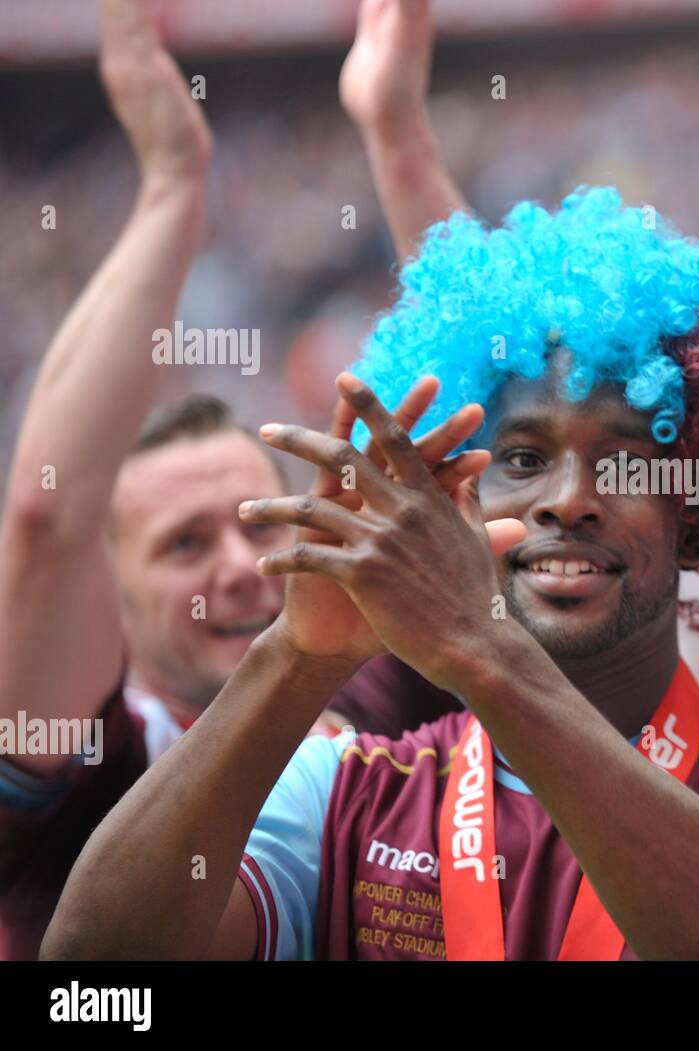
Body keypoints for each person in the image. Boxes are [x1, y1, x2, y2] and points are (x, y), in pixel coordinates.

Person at [45, 186, 699, 961]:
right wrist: (297, 653)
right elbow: (92, 977)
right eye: (520, 456)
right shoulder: (345, 793)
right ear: (453, 498)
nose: (569, 499)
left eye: (626, 462)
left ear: (693, 505)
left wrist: (484, 649)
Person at [0, 0, 490, 958]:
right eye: (183, 542)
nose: (238, 566)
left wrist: (395, 134)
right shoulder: (93, 766)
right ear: (109, 598)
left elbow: (504, 435)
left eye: (259, 521)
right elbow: (46, 519)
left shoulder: (380, 690)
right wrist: (173, 182)